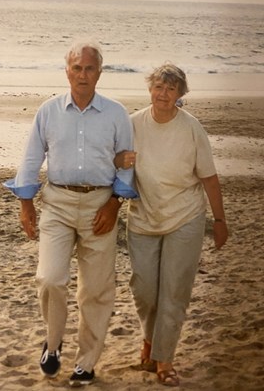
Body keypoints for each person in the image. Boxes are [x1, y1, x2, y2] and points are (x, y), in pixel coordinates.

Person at [4, 40, 137, 387]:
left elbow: (127, 161)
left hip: (100, 207)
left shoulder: (116, 113)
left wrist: (114, 204)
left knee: (95, 290)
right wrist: (25, 203)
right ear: (67, 71)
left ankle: (87, 361)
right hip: (57, 205)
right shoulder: (48, 111)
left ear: (99, 73)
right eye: (76, 68)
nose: (82, 74)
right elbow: (32, 158)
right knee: (50, 279)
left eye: (89, 68)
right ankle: (53, 342)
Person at [115, 63, 228, 387]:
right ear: (150, 89)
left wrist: (219, 220)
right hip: (142, 218)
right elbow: (113, 163)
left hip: (185, 217)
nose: (163, 94)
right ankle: (150, 339)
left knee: (174, 291)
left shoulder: (191, 128)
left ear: (180, 94)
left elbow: (209, 177)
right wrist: (117, 161)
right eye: (159, 87)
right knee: (145, 290)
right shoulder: (133, 124)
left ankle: (163, 358)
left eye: (171, 89)